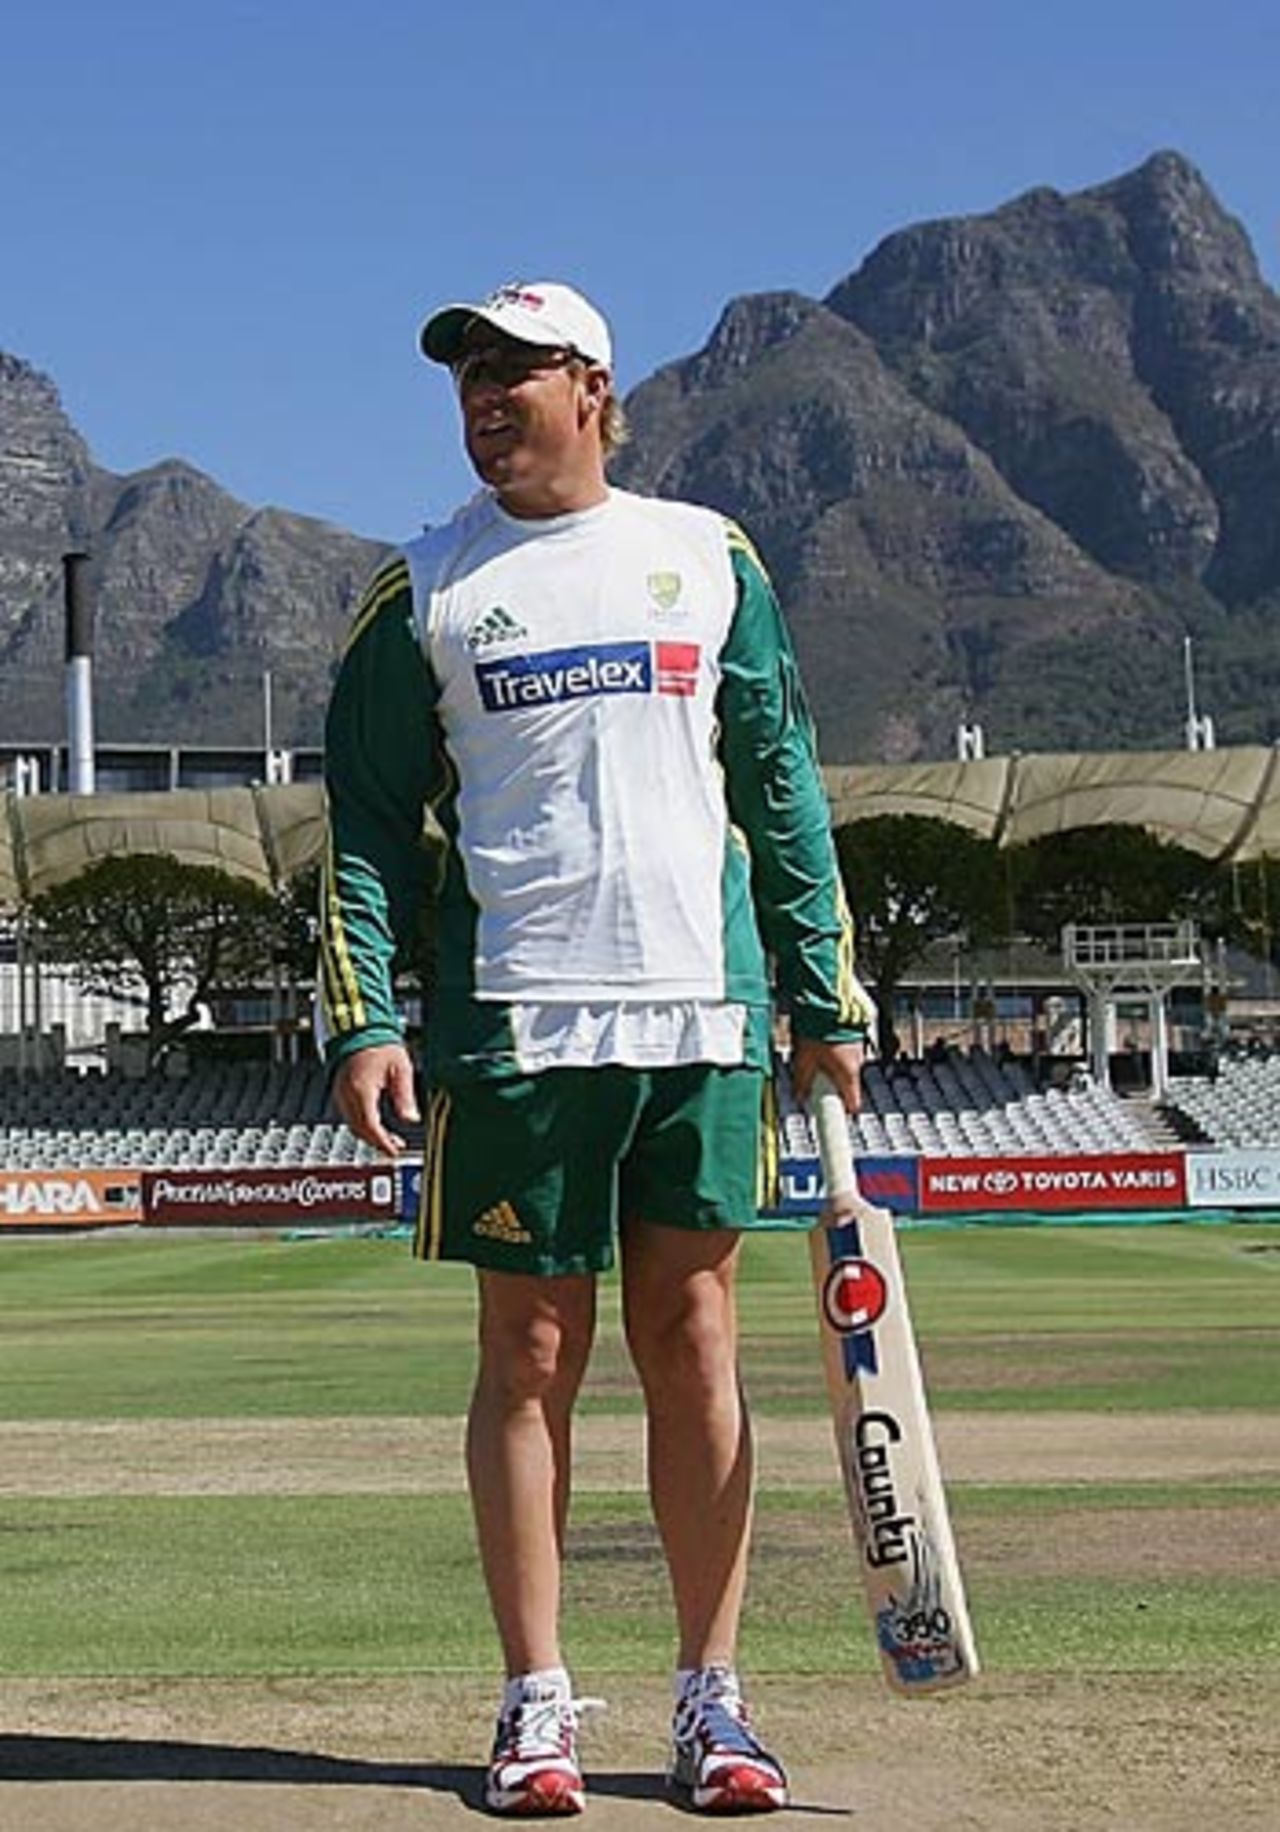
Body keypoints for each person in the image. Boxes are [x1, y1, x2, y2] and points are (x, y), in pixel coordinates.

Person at [318, 279, 869, 1817]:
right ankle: (537, 1703)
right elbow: (363, 818)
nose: (485, 397)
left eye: (515, 370)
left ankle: (714, 1701)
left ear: (595, 388)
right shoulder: (424, 588)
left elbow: (779, 775)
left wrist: (823, 1000)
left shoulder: (705, 559)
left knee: (695, 1344)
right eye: (467, 377)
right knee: (530, 1355)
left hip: (701, 1016)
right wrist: (367, 1015)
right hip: (515, 1028)